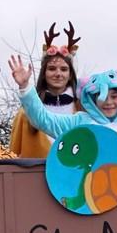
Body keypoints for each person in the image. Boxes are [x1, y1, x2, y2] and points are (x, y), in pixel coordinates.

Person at [10, 25, 80, 160]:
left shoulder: (82, 110)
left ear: (70, 75)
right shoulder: (25, 113)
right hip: (34, 178)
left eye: (64, 69)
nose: (58, 74)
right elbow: (13, 153)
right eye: (52, 68)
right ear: (44, 73)